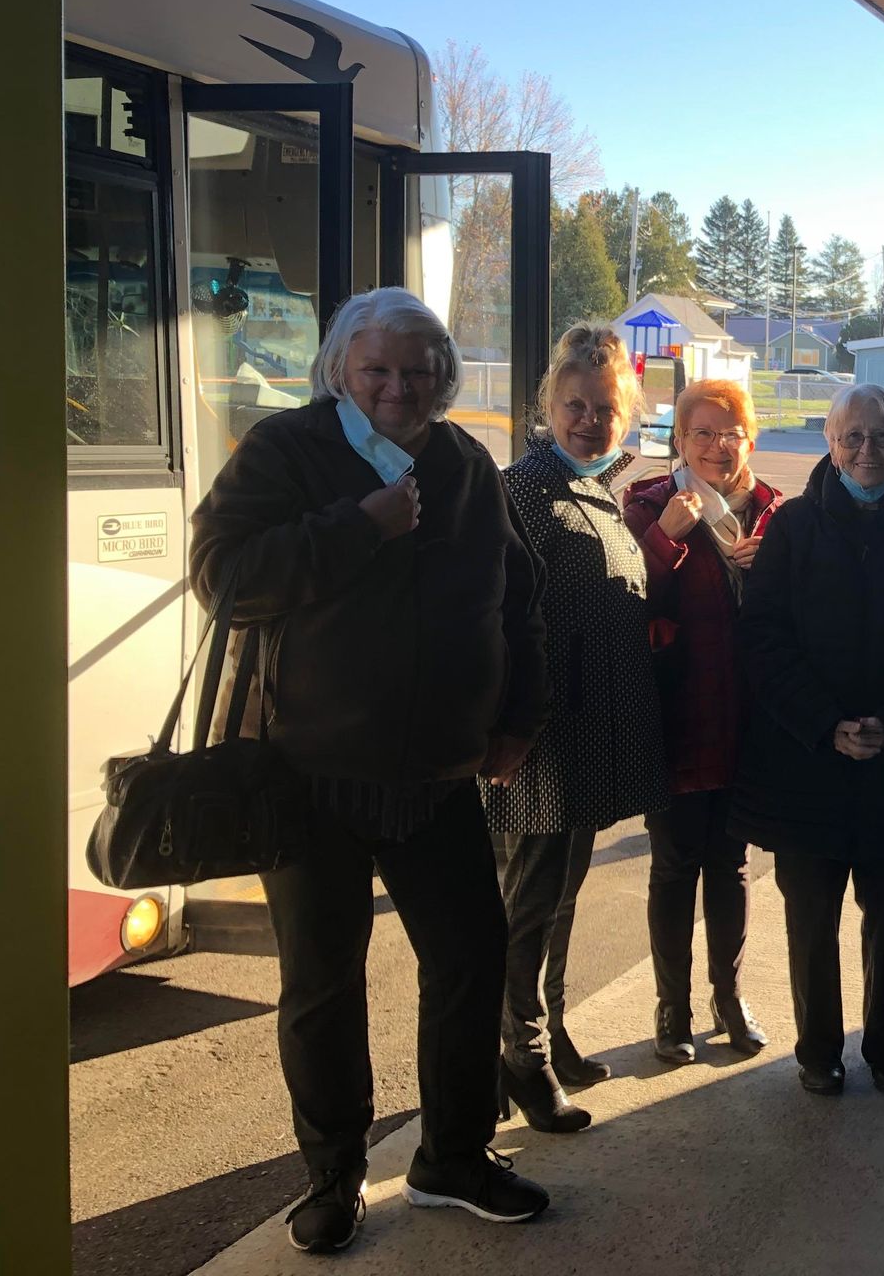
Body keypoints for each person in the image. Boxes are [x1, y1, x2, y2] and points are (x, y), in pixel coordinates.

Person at [188, 288, 549, 1254]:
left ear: (444, 376)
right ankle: (334, 1174)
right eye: (380, 369)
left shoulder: (467, 463)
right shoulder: (288, 451)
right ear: (341, 368)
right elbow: (221, 575)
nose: (401, 388)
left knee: (471, 962)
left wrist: (517, 718)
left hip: (438, 779)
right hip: (310, 777)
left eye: (421, 370)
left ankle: (454, 1159)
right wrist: (360, 525)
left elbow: (515, 601)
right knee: (321, 986)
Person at [731, 384, 884, 1098]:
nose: (867, 450)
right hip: (808, 763)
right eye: (852, 437)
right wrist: (824, 723)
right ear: (831, 445)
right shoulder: (795, 527)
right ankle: (819, 1051)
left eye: (882, 437)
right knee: (810, 923)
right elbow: (764, 639)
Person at [483, 323, 669, 1134]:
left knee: (560, 901)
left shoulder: (597, 489)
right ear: (549, 407)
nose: (589, 421)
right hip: (543, 743)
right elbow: (497, 618)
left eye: (604, 409)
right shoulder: (524, 489)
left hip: (593, 738)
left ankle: (550, 1035)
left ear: (625, 416)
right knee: (526, 908)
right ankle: (518, 1060)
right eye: (575, 407)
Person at [622, 378, 782, 1067]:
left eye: (731, 432)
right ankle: (673, 1007)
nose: (719, 447)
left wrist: (774, 571)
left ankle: (727, 996)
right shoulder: (650, 503)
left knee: (732, 864)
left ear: (750, 438)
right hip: (678, 718)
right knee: (673, 866)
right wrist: (666, 538)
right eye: (702, 433)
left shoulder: (774, 513)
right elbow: (627, 600)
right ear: (679, 441)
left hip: (748, 723)